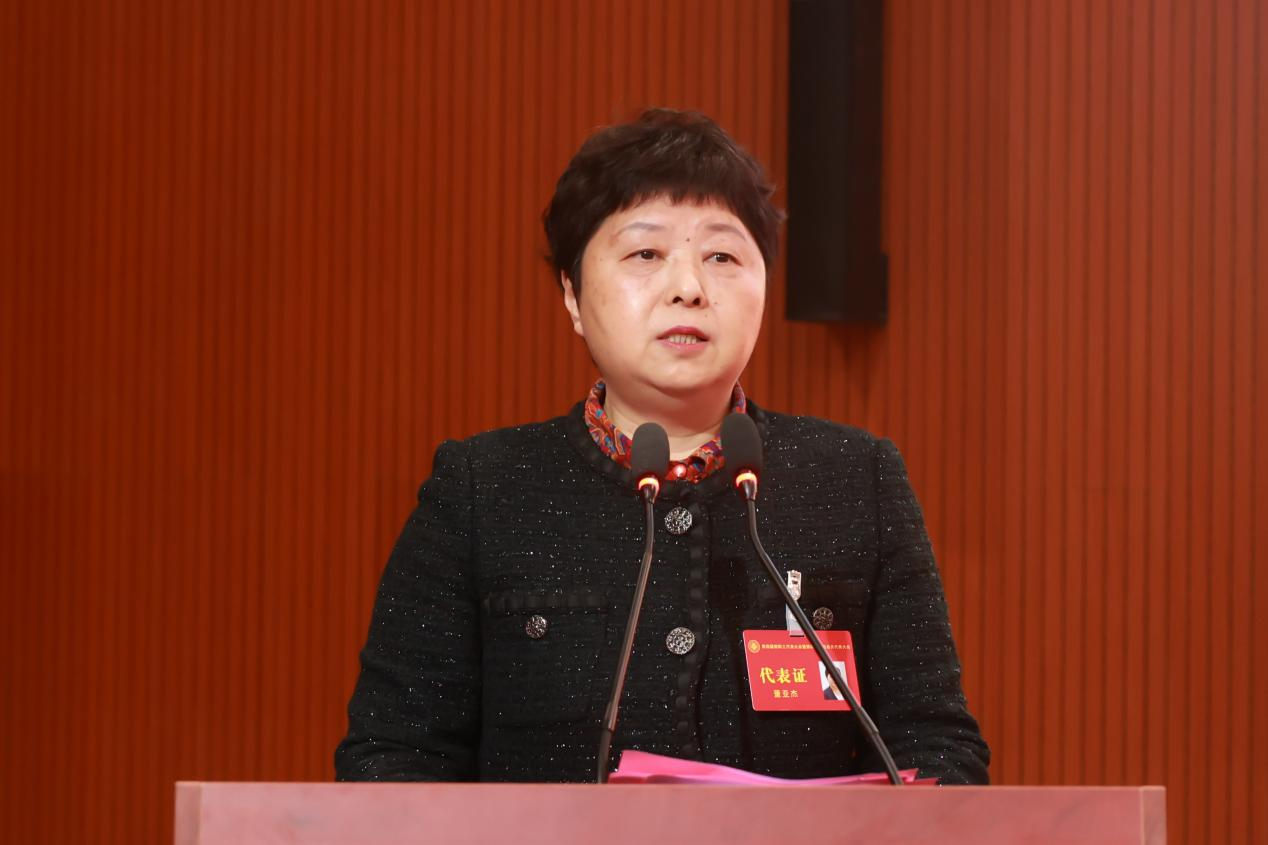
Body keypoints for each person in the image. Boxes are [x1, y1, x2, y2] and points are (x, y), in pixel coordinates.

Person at [334, 108, 990, 784]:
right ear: (572, 294)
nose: (689, 288)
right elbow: (391, 758)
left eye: (722, 257)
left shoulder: (855, 480)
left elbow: (937, 751)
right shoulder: (482, 490)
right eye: (646, 254)